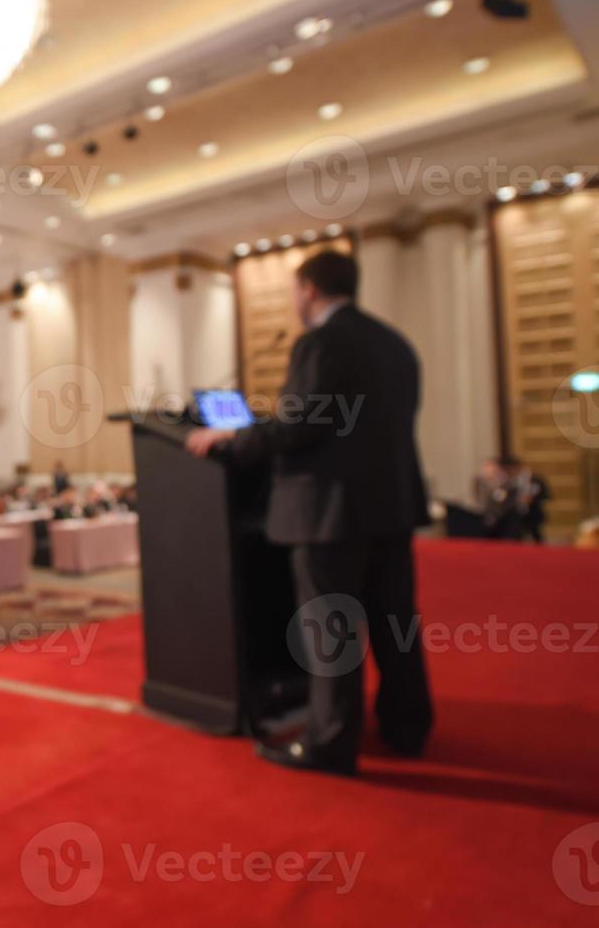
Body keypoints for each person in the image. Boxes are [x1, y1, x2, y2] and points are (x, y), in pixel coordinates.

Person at [185, 251, 433, 775]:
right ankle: (407, 725)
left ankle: (329, 743)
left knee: (332, 630)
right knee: (395, 623)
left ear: (309, 290)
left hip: (329, 513)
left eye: (295, 292)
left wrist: (231, 439)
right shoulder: (396, 345)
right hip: (390, 506)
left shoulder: (321, 343)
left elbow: (299, 428)